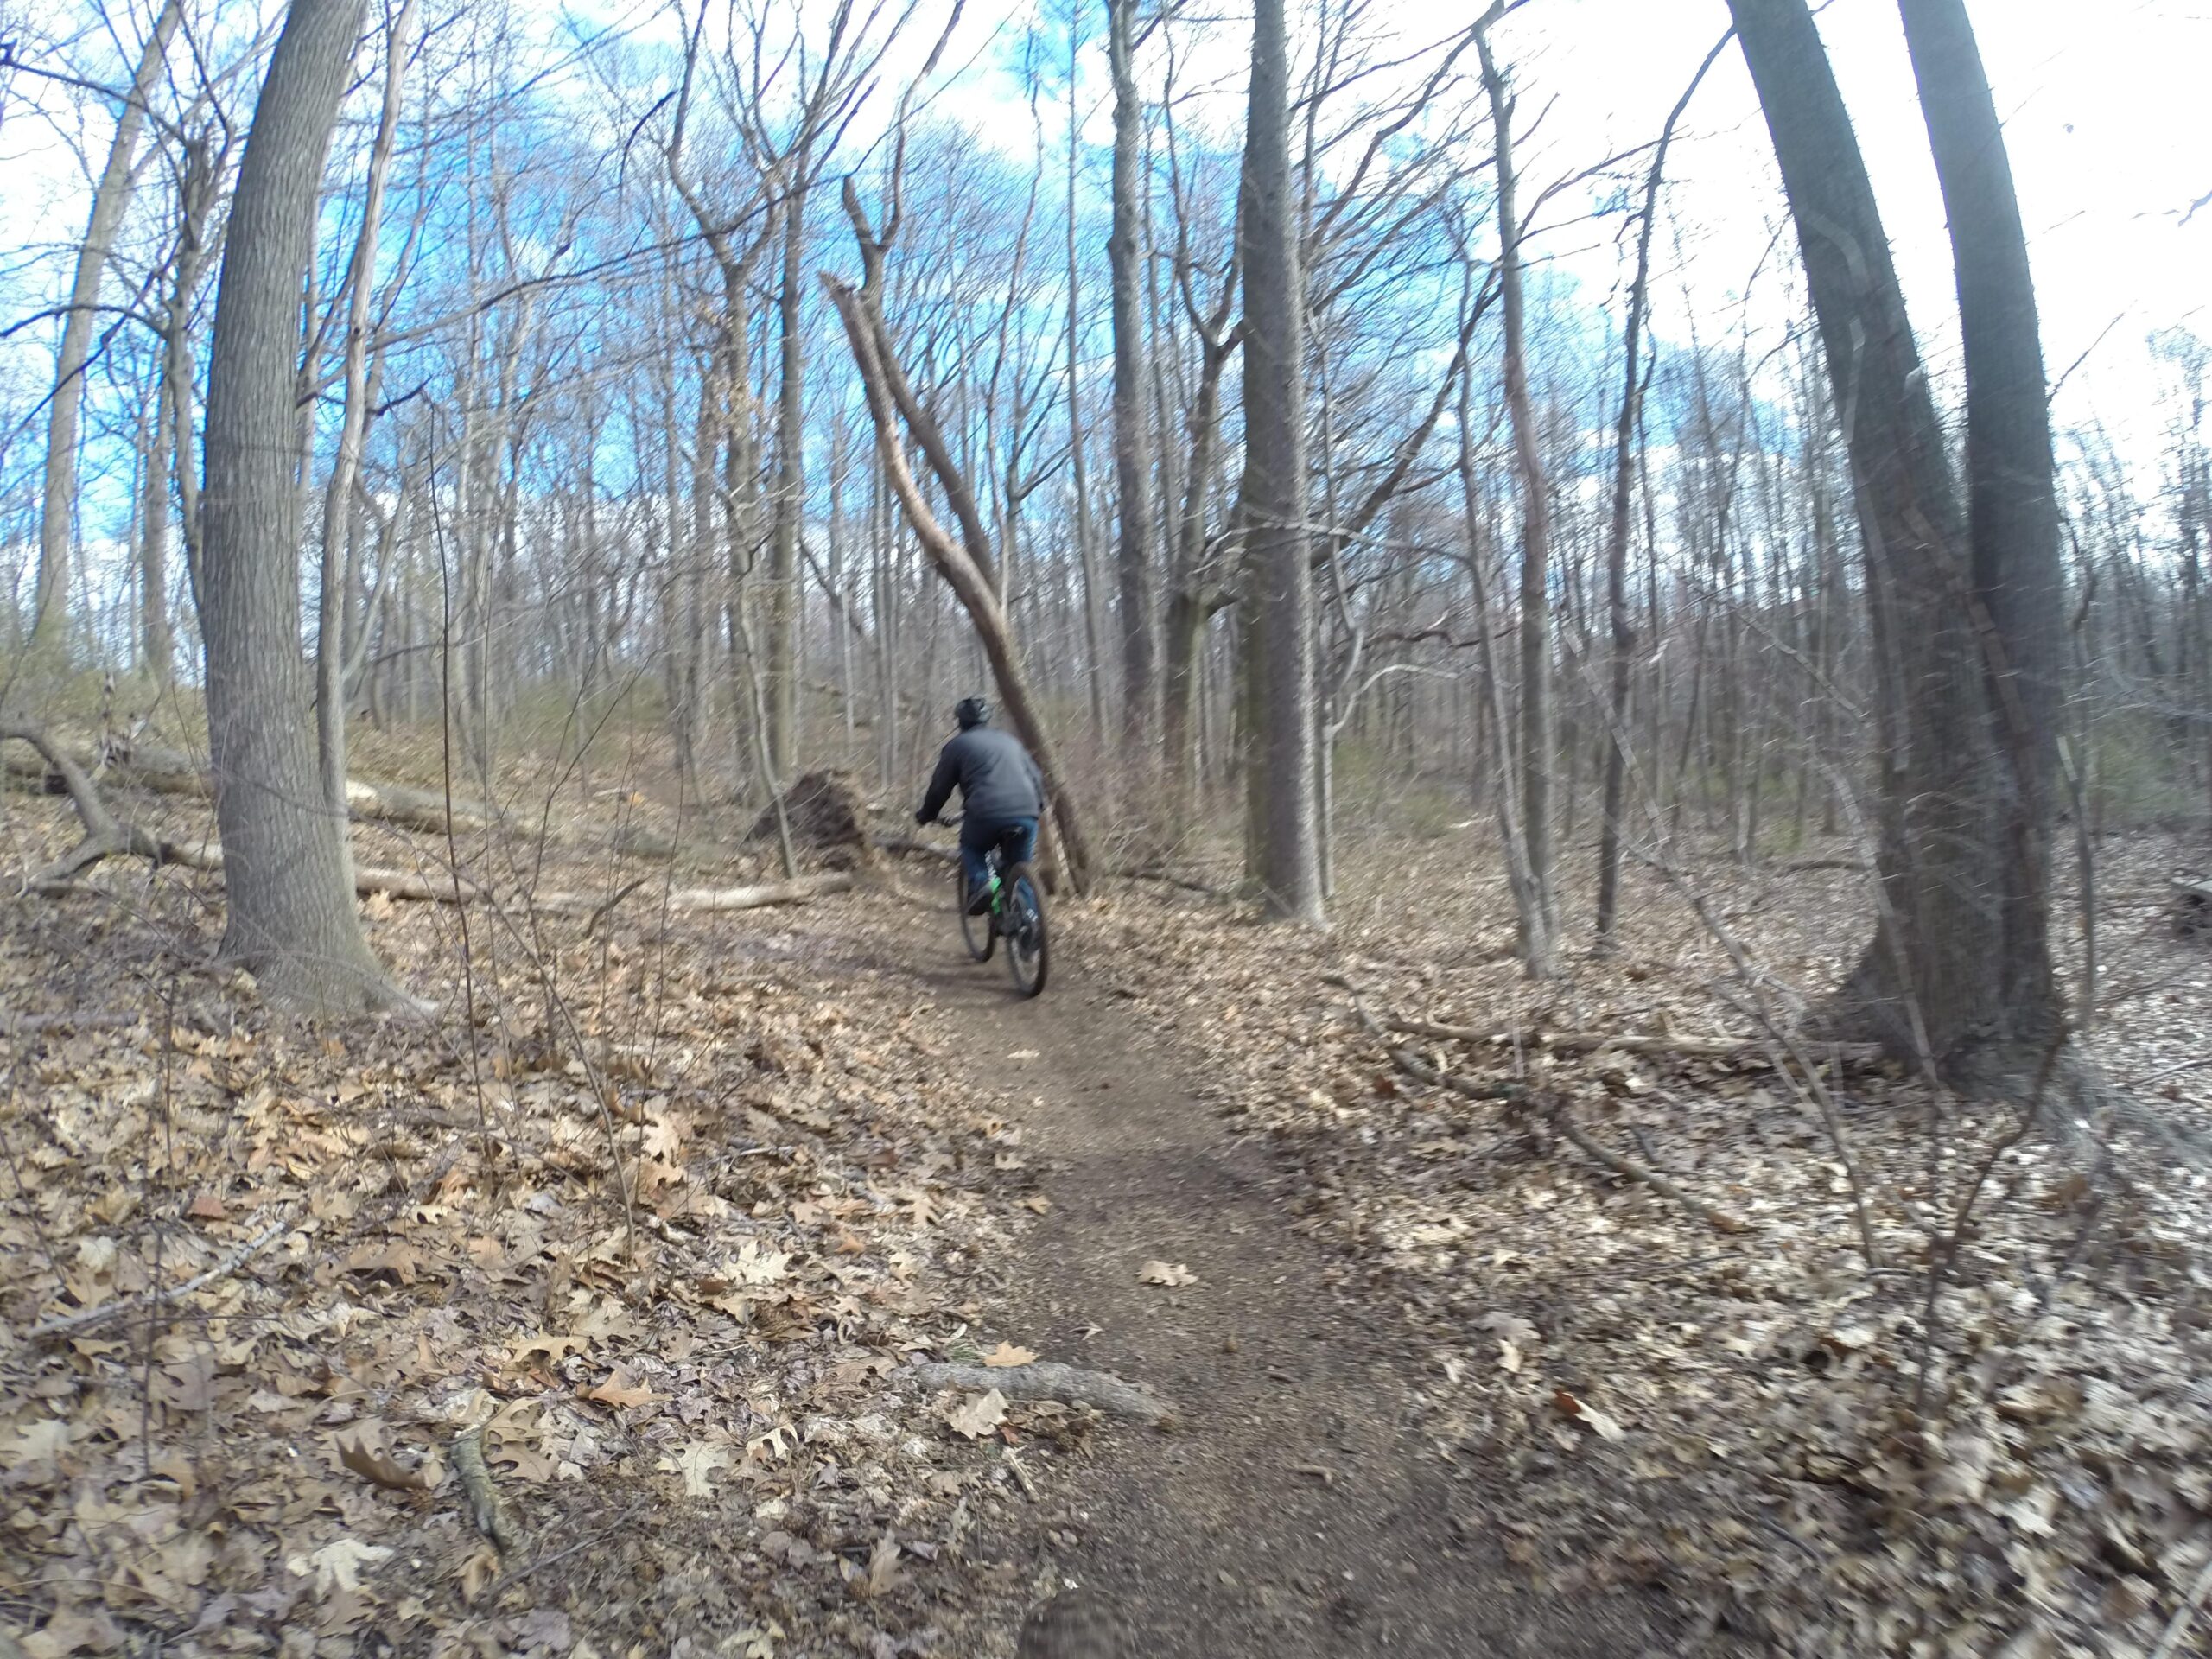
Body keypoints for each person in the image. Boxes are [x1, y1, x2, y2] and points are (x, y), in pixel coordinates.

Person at [917, 696, 1045, 914]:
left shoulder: (956, 746)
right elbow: (1036, 777)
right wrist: (1038, 806)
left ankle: (980, 884)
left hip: (985, 813)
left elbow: (940, 788)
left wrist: (927, 814)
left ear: (960, 722)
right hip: (1026, 810)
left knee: (972, 847)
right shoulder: (1010, 741)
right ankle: (1029, 927)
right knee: (1020, 864)